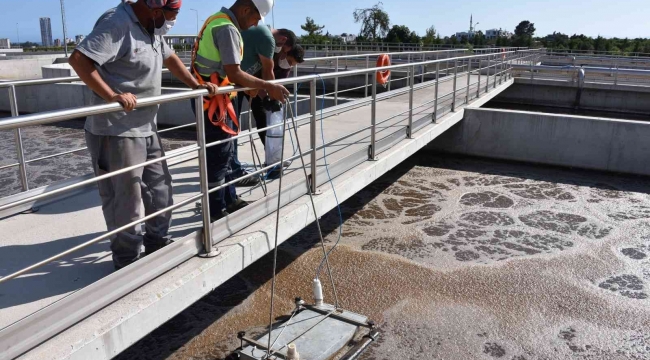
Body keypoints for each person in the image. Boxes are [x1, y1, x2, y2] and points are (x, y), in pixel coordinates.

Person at [69, 0, 219, 270]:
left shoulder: (152, 27)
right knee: (126, 201)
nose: (173, 21)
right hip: (116, 130)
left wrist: (196, 84)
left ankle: (156, 243)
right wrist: (113, 95)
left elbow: (170, 58)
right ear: (155, 8)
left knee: (160, 191)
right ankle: (126, 261)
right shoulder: (118, 22)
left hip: (147, 124)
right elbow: (79, 60)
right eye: (173, 14)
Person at [191, 0, 289, 222]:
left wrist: (250, 88)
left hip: (219, 98)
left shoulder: (218, 20)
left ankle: (229, 200)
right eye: (255, 18)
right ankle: (216, 212)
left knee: (225, 154)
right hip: (213, 103)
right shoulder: (226, 28)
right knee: (218, 156)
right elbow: (234, 73)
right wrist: (267, 86)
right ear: (246, 10)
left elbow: (228, 73)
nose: (255, 24)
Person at [232, 27, 297, 186]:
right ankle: (232, 170)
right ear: (283, 39)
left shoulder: (268, 41)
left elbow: (260, 74)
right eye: (284, 50)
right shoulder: (267, 39)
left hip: (247, 84)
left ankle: (272, 160)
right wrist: (270, 94)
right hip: (235, 84)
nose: (281, 53)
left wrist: (266, 96)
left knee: (259, 119)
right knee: (232, 126)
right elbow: (267, 73)